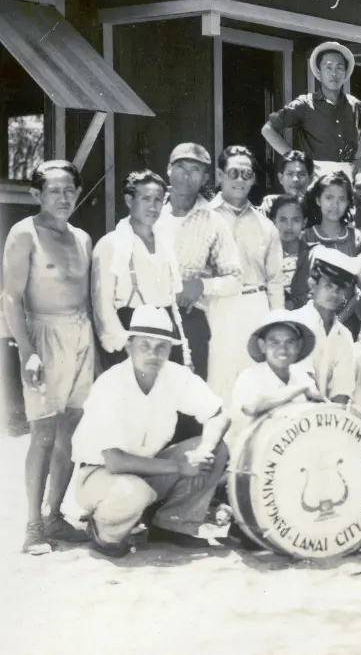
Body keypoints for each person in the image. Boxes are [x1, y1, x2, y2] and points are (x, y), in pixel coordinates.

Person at [70, 305, 231, 557]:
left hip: (148, 469)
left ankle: (171, 524)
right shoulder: (111, 384)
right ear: (129, 346)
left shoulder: (175, 375)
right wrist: (179, 468)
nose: (153, 353)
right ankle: (103, 530)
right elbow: (114, 461)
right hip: (98, 475)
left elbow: (218, 413)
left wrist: (204, 450)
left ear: (170, 349)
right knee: (134, 493)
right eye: (145, 345)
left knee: (217, 450)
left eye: (161, 346)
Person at [4, 161, 96, 554]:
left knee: (71, 433)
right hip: (43, 335)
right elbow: (11, 296)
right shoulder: (23, 234)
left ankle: (54, 515)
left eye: (69, 190)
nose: (63, 197)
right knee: (42, 434)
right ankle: (32, 527)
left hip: (81, 336)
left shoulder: (83, 238)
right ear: (36, 195)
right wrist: (27, 351)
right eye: (54, 191)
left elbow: (87, 297)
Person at [156, 142, 243, 386]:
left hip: (189, 318)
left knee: (189, 400)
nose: (186, 175)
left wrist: (201, 286)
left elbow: (235, 279)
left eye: (195, 169)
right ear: (168, 170)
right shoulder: (150, 212)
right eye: (180, 167)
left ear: (205, 177)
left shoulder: (214, 221)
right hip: (148, 315)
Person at [205, 146, 285, 403]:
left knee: (258, 384)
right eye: (233, 173)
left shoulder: (266, 225)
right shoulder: (203, 217)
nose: (240, 180)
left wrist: (276, 322)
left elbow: (275, 280)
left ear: (253, 179)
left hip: (256, 306)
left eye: (246, 174)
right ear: (220, 175)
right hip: (218, 307)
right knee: (221, 385)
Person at [91, 170, 185, 369]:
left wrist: (183, 349)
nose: (153, 207)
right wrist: (122, 345)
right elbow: (103, 306)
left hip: (165, 332)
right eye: (146, 199)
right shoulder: (110, 245)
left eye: (158, 200)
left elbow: (173, 302)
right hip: (129, 334)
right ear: (129, 200)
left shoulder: (166, 244)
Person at [262, 41, 361, 176]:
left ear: (345, 72)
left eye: (339, 68)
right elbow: (268, 129)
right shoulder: (304, 104)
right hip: (315, 173)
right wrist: (295, 159)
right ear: (319, 71)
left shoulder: (355, 105)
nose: (334, 73)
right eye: (328, 68)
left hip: (347, 174)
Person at [226, 310, 321, 456]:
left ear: (299, 346)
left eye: (289, 342)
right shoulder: (249, 376)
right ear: (262, 346)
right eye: (274, 342)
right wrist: (300, 388)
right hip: (248, 460)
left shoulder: (301, 375)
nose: (282, 349)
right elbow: (252, 406)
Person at [293, 248, 361, 403]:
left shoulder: (344, 335)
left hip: (327, 418)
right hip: (295, 415)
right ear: (313, 285)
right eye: (328, 286)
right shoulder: (296, 323)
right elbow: (302, 384)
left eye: (339, 289)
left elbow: (342, 391)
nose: (334, 294)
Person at [301, 171, 361, 257]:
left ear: (347, 203)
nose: (335, 205)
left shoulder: (356, 237)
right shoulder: (305, 237)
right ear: (318, 200)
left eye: (341, 199)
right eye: (329, 198)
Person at [268, 195, 308, 310]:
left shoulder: (311, 255)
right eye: (283, 220)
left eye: (295, 220)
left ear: (304, 222)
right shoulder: (264, 255)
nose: (289, 226)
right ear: (273, 221)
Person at [261, 150, 314, 215]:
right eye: (290, 174)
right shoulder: (271, 206)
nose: (295, 179)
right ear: (281, 178)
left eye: (301, 174)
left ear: (310, 179)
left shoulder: (319, 208)